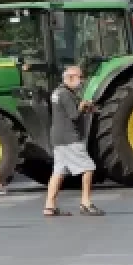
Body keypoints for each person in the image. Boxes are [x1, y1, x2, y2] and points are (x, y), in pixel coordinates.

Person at [43, 65, 104, 217]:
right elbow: (74, 116)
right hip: (70, 137)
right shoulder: (66, 94)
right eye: (80, 77)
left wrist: (84, 107)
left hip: (57, 137)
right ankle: (86, 203)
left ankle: (49, 206)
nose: (82, 81)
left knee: (58, 171)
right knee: (88, 167)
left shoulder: (57, 92)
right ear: (70, 78)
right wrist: (83, 106)